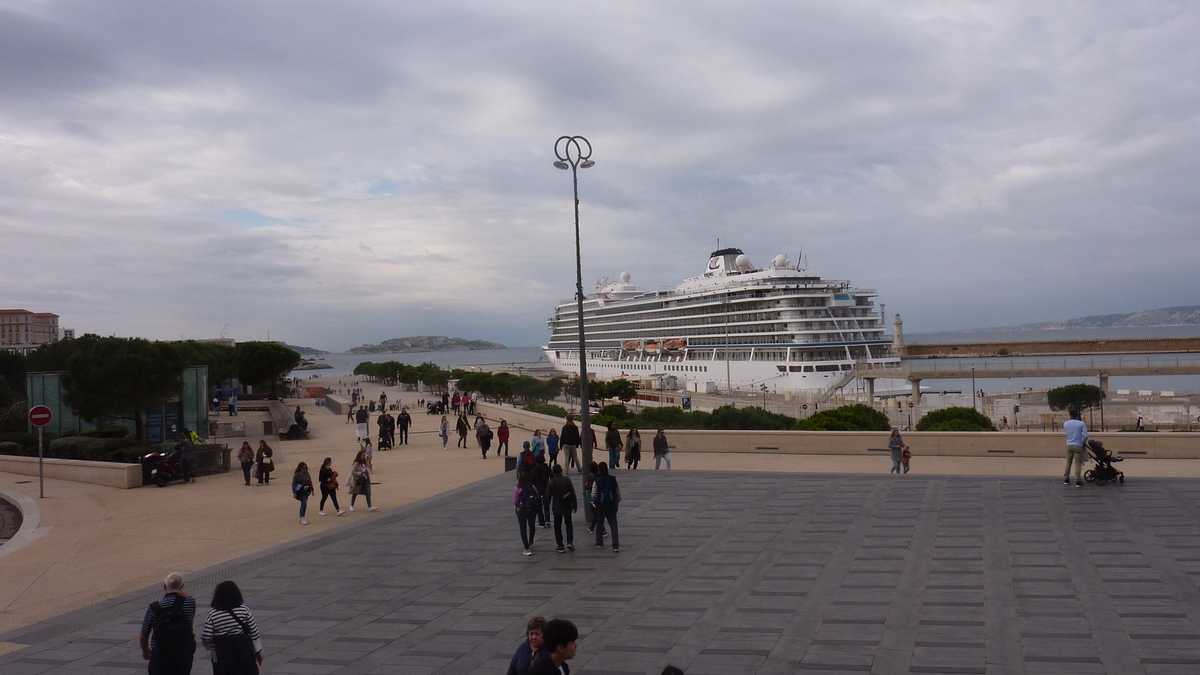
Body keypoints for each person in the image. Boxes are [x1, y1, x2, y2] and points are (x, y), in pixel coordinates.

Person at [200, 580, 263, 674]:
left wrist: (214, 647)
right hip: (244, 652)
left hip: (223, 655)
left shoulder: (213, 614)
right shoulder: (244, 610)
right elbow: (254, 632)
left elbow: (206, 637)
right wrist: (258, 651)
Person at [139, 571, 196, 675]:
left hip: (160, 654)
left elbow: (144, 634)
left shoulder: (153, 608)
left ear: (164, 587)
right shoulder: (189, 603)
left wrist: (146, 651)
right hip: (182, 652)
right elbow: (187, 599)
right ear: (182, 586)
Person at [591, 462, 621, 552]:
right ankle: (615, 546)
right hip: (611, 506)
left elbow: (593, 494)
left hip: (600, 506)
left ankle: (599, 542)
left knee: (600, 524)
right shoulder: (612, 479)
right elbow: (617, 493)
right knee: (613, 525)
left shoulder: (597, 480)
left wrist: (594, 504)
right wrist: (616, 503)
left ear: (599, 469)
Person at [547, 464, 576, 553]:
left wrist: (546, 509)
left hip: (557, 507)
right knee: (569, 524)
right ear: (561, 471)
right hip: (567, 506)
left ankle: (560, 545)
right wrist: (575, 504)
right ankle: (570, 542)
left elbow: (547, 496)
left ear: (553, 472)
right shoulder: (567, 479)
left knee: (557, 526)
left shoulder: (551, 482)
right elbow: (572, 492)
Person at [515, 468, 541, 556]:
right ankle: (531, 541)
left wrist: (518, 506)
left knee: (523, 528)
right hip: (532, 509)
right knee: (532, 525)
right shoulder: (532, 486)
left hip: (522, 510)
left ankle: (526, 548)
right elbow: (537, 497)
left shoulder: (518, 487)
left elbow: (515, 500)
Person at [1064, 408, 1088, 487]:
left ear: (1070, 414)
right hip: (1078, 445)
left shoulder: (1066, 423)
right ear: (1077, 415)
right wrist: (1082, 442)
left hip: (1069, 445)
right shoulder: (1081, 423)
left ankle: (1066, 479)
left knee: (1068, 463)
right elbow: (1085, 436)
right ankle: (1077, 481)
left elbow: (1067, 433)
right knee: (1077, 464)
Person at [532, 455, 552, 528]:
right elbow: (552, 477)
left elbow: (532, 480)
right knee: (546, 506)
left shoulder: (535, 469)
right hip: (547, 489)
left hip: (538, 490)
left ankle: (541, 522)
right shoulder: (547, 468)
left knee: (539, 507)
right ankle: (547, 521)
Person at [583, 461, 598, 533]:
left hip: (591, 496)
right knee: (596, 512)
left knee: (595, 512)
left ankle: (594, 529)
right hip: (597, 496)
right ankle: (592, 528)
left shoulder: (589, 476)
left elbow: (587, 486)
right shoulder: (598, 475)